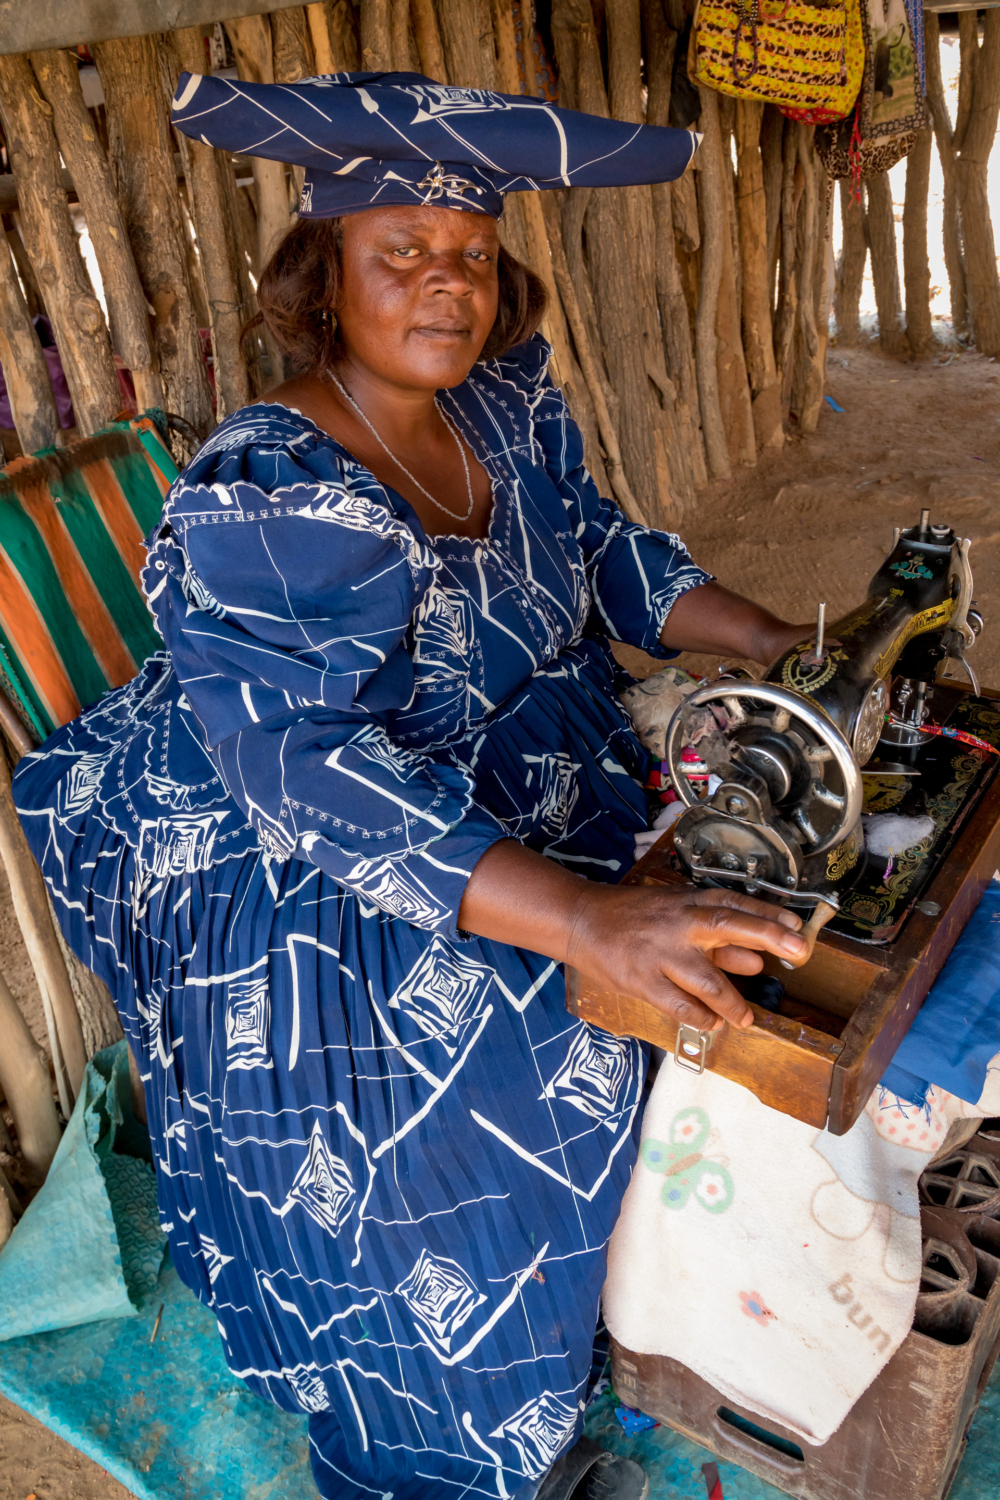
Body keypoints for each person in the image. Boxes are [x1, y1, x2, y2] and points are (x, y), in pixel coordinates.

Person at [13, 72, 809, 1500]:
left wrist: (770, 642)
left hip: (488, 764)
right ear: (326, 279)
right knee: (508, 1052)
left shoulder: (501, 409)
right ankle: (440, 1437)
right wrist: (575, 921)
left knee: (702, 906)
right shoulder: (276, 485)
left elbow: (604, 552)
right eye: (401, 255)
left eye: (470, 257)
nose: (443, 286)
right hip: (289, 844)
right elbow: (306, 771)